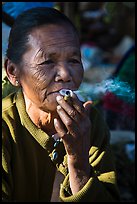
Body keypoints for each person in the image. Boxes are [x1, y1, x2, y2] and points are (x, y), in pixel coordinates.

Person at [2, 7, 120, 202]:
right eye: (48, 62)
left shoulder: (88, 123)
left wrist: (79, 162)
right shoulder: (7, 128)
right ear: (13, 71)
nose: (66, 75)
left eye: (74, 60)